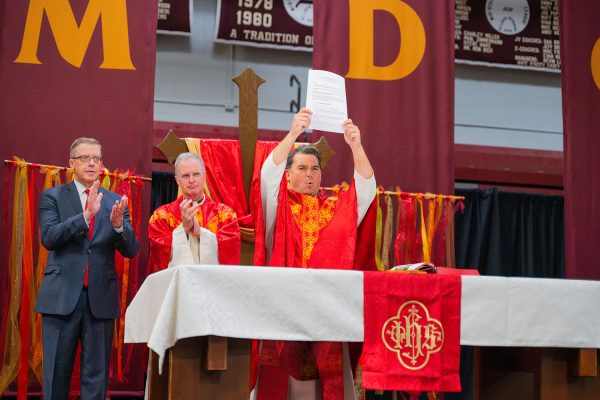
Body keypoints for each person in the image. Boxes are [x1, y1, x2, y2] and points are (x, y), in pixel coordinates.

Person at [256, 108, 376, 400]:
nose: (309, 175)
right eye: (301, 169)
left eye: (315, 169)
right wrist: (294, 134)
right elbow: (266, 175)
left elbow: (366, 190)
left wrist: (356, 146)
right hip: (284, 309)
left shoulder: (336, 209)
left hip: (326, 309)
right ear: (288, 175)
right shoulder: (278, 208)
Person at [35, 137, 139, 400]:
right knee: (56, 374)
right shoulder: (53, 196)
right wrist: (85, 216)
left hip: (100, 299)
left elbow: (131, 250)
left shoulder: (115, 200)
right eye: (85, 158)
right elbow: (49, 237)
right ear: (71, 163)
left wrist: (118, 226)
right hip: (61, 298)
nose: (92, 163)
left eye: (97, 158)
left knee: (96, 377)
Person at [148, 152, 240, 272]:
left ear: (204, 176)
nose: (191, 180)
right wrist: (183, 230)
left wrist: (200, 233)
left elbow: (231, 252)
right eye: (185, 176)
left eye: (196, 174)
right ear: (177, 180)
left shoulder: (224, 215)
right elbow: (157, 257)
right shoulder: (161, 216)